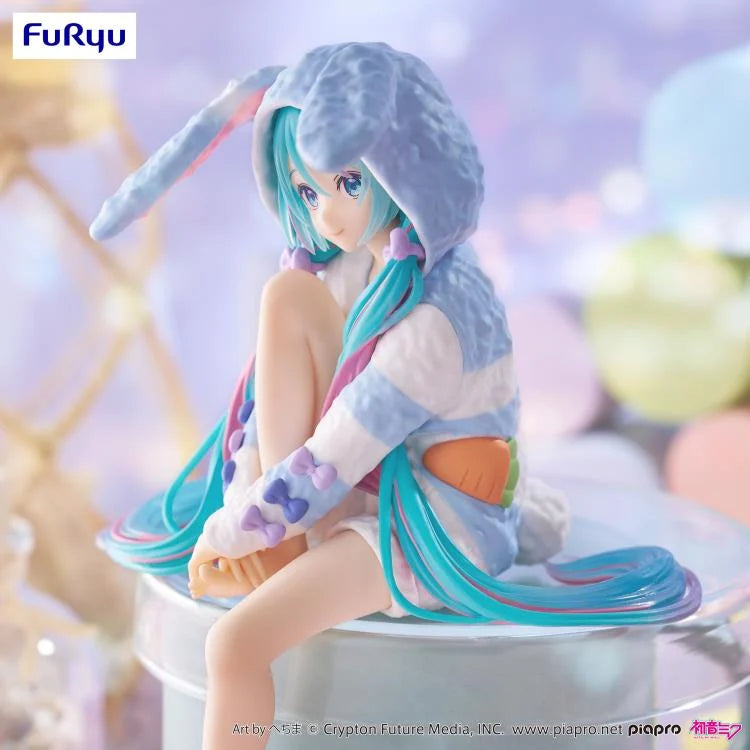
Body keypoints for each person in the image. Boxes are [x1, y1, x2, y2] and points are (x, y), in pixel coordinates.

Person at [90, 42, 701, 749]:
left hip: (431, 522)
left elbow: (338, 452)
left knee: (234, 644)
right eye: (308, 192)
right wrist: (251, 500)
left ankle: (285, 550)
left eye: (348, 183)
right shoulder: (359, 267)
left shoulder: (440, 314)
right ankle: (289, 544)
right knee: (286, 294)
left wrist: (241, 528)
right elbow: (277, 406)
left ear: (404, 168)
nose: (327, 216)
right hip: (365, 491)